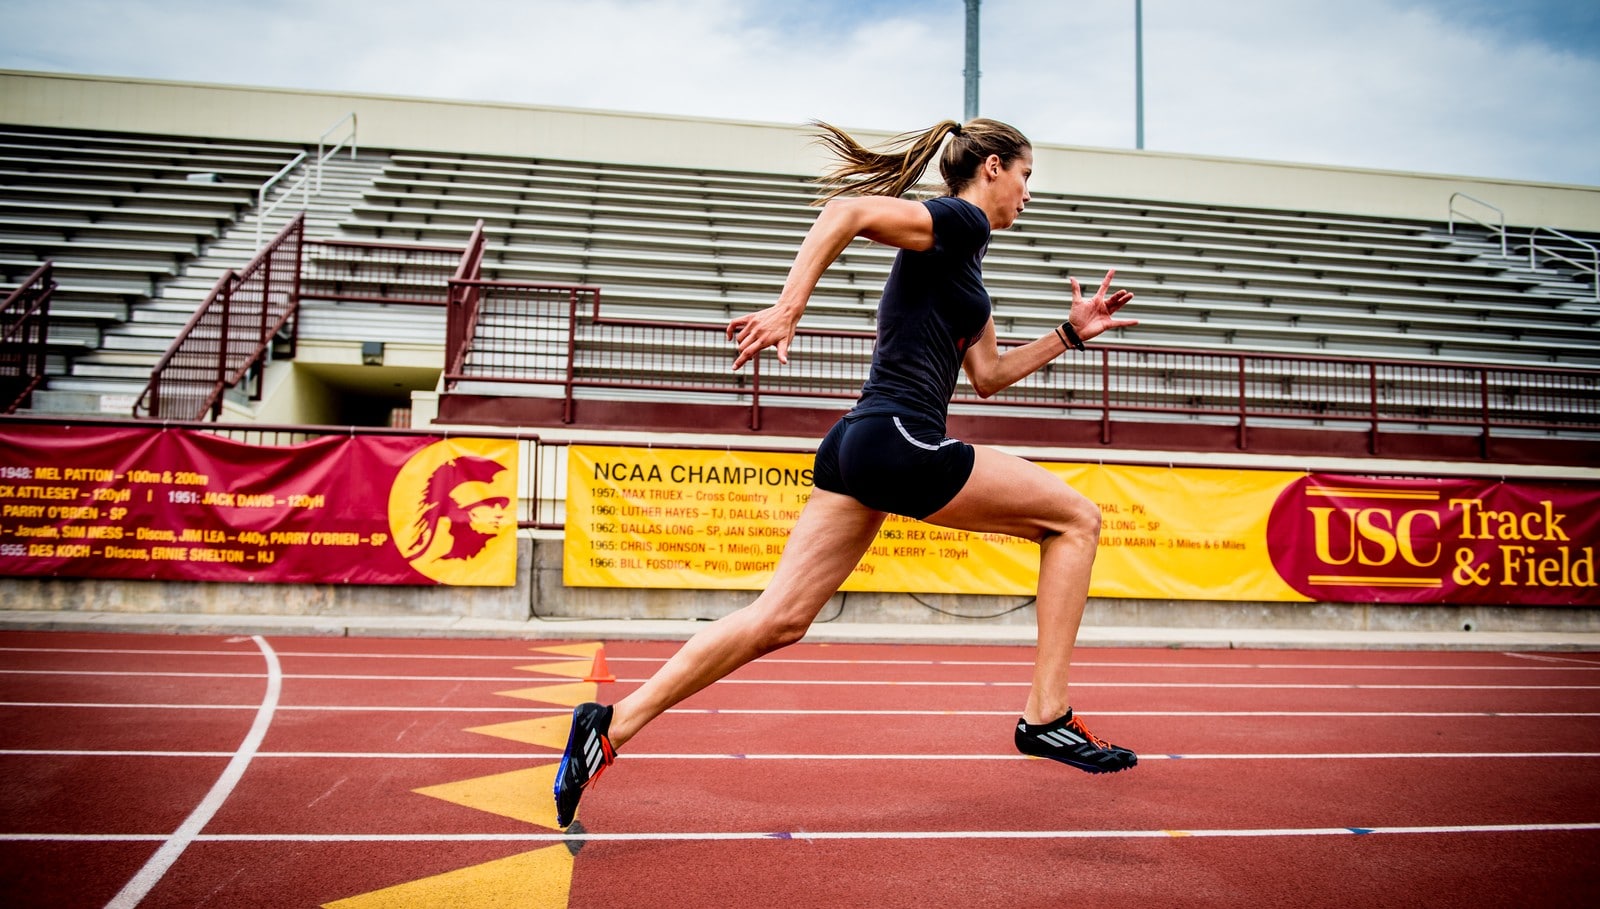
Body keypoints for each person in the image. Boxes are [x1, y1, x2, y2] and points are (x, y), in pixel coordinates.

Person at [555, 117, 1139, 828]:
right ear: (991, 167)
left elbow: (987, 375)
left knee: (779, 618)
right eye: (1026, 176)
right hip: (897, 437)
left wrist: (1070, 333)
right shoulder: (958, 222)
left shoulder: (964, 261)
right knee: (1077, 518)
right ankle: (1046, 714)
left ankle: (608, 725)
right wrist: (788, 308)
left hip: (862, 442)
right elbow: (846, 211)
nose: (1027, 193)